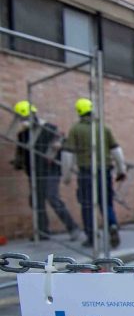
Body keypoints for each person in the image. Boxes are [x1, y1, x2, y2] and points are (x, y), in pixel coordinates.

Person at [61, 98, 127, 249]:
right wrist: (121, 169)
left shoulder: (75, 129)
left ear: (78, 111)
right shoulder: (104, 128)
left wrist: (66, 175)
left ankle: (91, 237)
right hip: (105, 170)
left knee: (87, 205)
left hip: (86, 171)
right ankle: (112, 225)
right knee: (106, 202)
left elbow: (68, 154)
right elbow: (116, 150)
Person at [11, 101, 77, 240]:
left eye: (26, 117)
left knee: (52, 198)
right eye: (22, 118)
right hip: (34, 172)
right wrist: (18, 162)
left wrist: (59, 145)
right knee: (36, 201)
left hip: (50, 170)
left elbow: (63, 142)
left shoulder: (49, 128)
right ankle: (43, 231)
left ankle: (73, 228)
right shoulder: (23, 135)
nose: (24, 121)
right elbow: (21, 153)